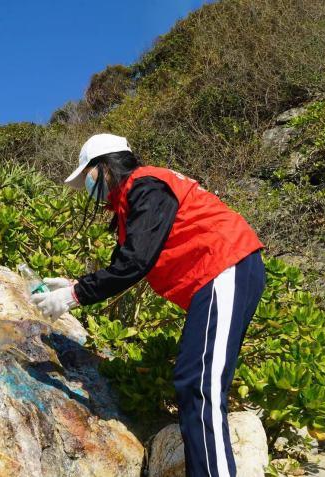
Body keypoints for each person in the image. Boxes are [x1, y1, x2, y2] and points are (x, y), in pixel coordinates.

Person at [32, 133, 265, 477]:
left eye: (87, 176)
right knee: (193, 380)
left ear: (105, 166)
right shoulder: (134, 201)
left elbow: (135, 263)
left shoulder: (146, 185)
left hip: (224, 265)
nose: (87, 186)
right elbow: (124, 263)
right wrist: (74, 285)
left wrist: (74, 296)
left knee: (199, 382)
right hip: (217, 274)